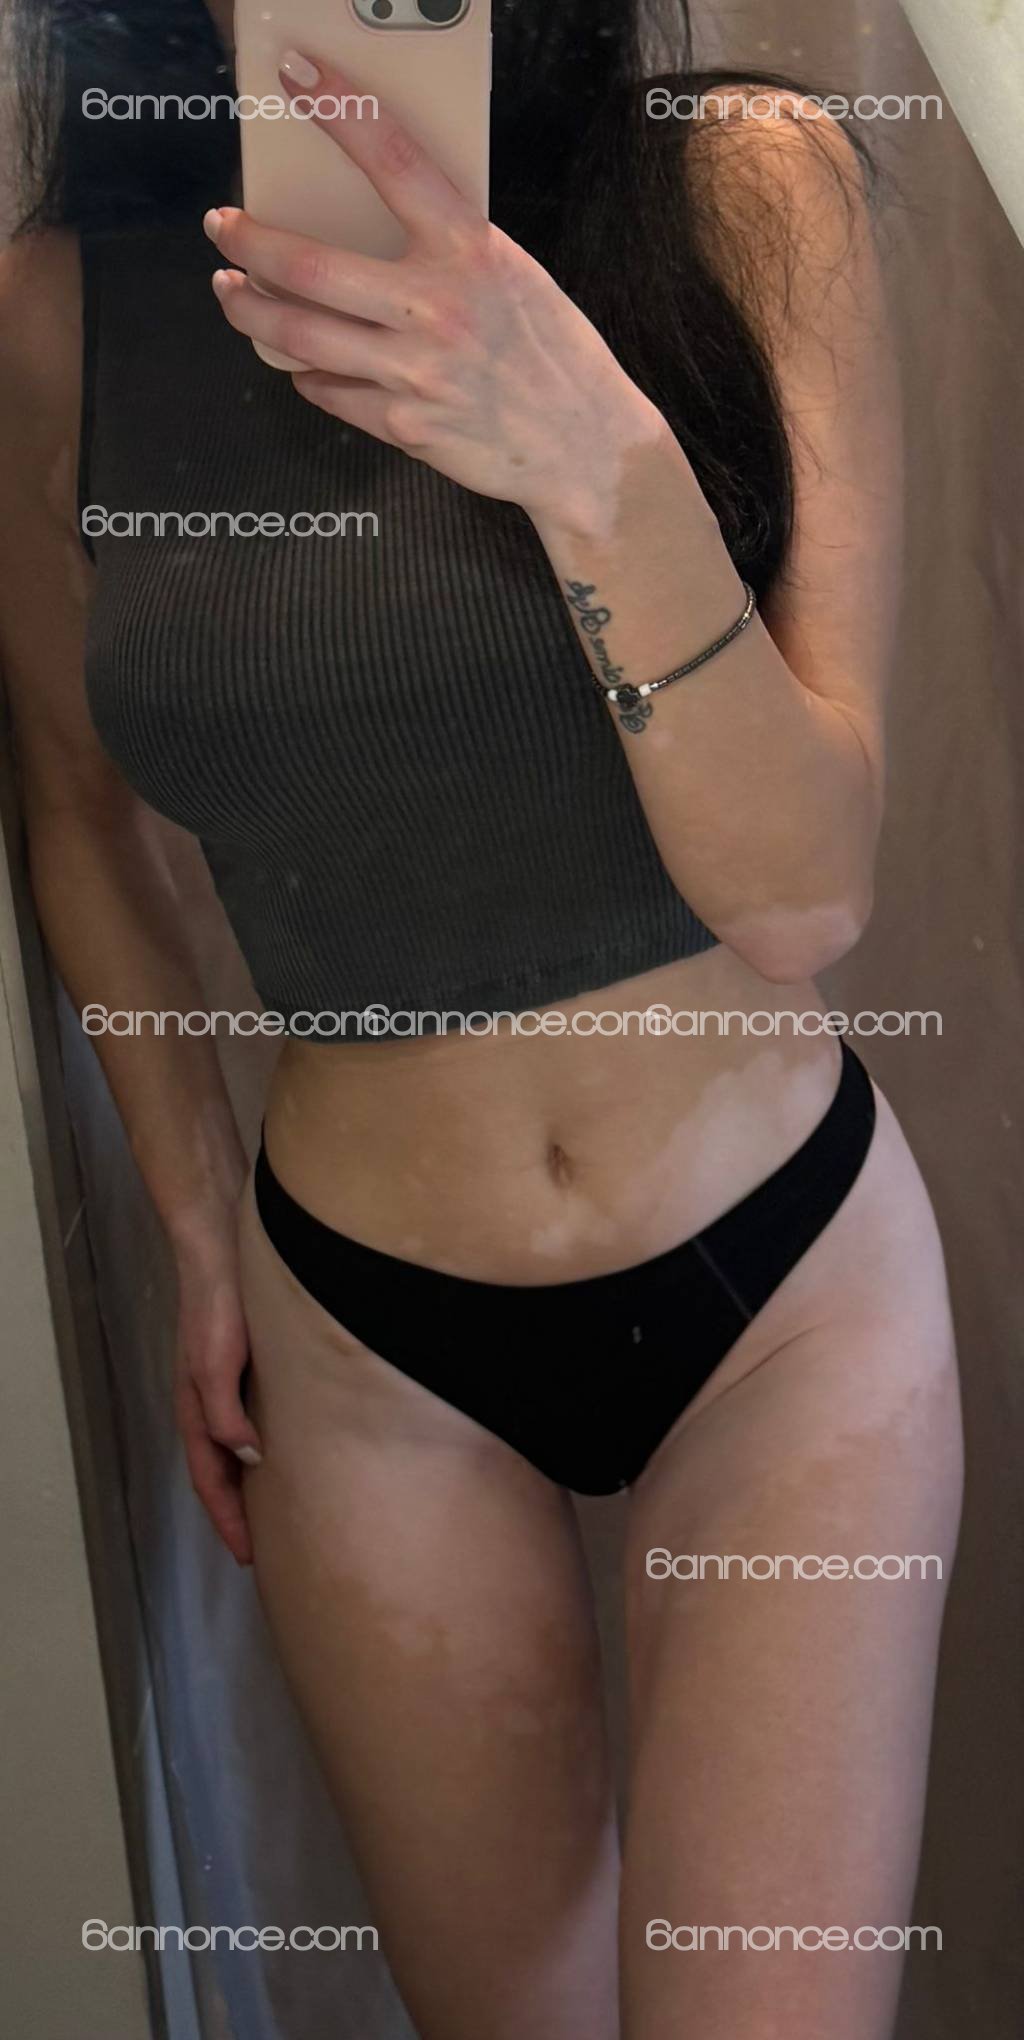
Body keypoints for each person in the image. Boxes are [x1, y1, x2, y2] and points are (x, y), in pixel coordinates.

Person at [0, 3, 962, 2034]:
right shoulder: (64, 307)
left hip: (779, 1302)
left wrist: (590, 463)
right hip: (369, 1347)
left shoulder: (738, 187)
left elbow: (804, 892)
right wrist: (192, 1224)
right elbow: (75, 807)